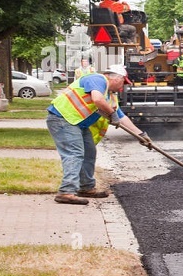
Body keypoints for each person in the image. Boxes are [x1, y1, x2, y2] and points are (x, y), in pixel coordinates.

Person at [46, 63, 151, 205]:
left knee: (89, 153)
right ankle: (66, 192)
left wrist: (141, 134)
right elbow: (97, 99)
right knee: (74, 153)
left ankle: (86, 188)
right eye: (123, 82)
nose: (122, 87)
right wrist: (111, 114)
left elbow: (122, 117)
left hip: (77, 123)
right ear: (116, 78)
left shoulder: (111, 96)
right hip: (62, 118)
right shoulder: (98, 79)